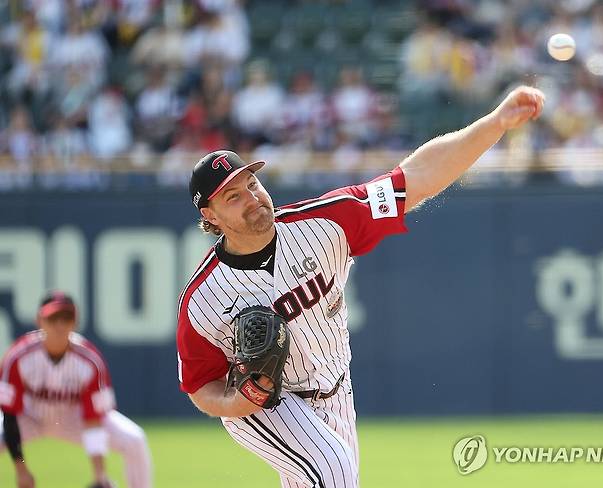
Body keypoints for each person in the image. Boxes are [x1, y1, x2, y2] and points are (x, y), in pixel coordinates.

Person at [176, 85, 545, 487]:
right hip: (266, 402)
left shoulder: (325, 224)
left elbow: (416, 178)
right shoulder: (202, 299)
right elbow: (199, 385)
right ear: (210, 217)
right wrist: (233, 402)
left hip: (336, 390)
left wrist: (496, 123)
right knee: (333, 474)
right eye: (233, 196)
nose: (251, 198)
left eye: (251, 184)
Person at [0, 292, 152, 488]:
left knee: (135, 441)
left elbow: (93, 418)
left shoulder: (89, 360)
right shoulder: (18, 357)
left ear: (75, 321)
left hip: (74, 419)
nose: (60, 325)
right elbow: (10, 415)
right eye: (53, 318)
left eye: (66, 318)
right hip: (29, 417)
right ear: (39, 320)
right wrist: (21, 469)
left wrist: (100, 475)